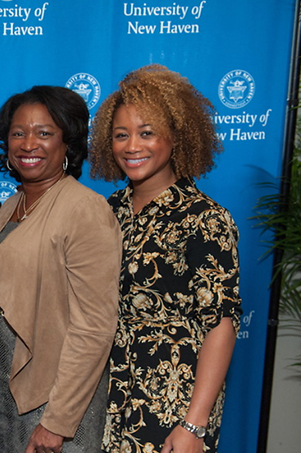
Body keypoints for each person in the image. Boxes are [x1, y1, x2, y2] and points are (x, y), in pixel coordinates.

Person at [89, 64, 242, 453]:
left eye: (147, 133)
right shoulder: (111, 210)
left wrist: (194, 425)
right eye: (121, 135)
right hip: (106, 390)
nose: (132, 146)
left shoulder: (205, 218)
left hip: (172, 398)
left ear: (176, 136)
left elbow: (220, 325)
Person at [0, 86, 121, 453]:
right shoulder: (14, 204)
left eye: (44, 133)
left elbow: (94, 327)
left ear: (67, 142)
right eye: (18, 133)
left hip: (53, 404)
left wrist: (57, 423)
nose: (28, 144)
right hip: (2, 396)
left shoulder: (85, 210)